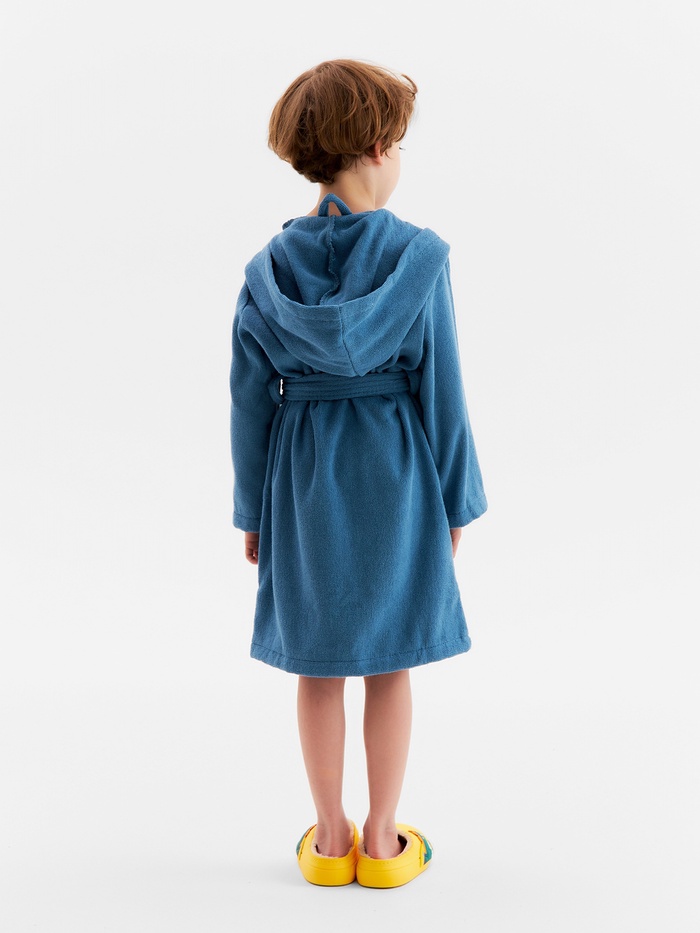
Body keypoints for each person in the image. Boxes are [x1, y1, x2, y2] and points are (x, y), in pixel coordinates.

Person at [229, 59, 487, 888]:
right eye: (398, 142)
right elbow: (444, 391)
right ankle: (381, 841)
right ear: (377, 146)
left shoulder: (267, 272)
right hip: (397, 472)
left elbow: (248, 403)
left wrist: (252, 511)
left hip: (302, 478)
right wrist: (456, 501)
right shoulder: (418, 259)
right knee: (389, 659)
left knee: (318, 662)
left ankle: (330, 835)